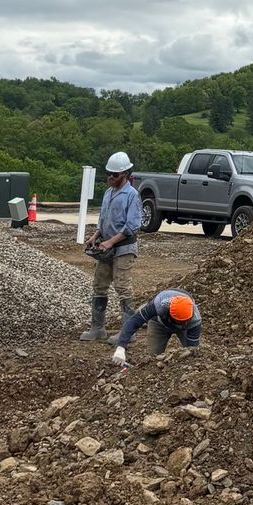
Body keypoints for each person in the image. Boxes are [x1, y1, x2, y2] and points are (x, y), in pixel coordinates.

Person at [82, 150, 140, 342]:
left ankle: (128, 333)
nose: (110, 177)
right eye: (108, 173)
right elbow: (104, 220)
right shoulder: (108, 193)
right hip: (107, 248)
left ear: (125, 174)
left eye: (114, 174)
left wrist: (110, 242)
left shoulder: (132, 195)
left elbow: (131, 226)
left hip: (124, 249)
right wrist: (96, 236)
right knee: (99, 285)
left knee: (123, 287)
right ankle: (97, 328)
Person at [111, 289, 201, 369]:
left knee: (191, 356)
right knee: (153, 359)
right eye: (178, 321)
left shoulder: (195, 320)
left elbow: (192, 348)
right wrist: (121, 347)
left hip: (185, 328)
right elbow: (134, 321)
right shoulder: (159, 305)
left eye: (183, 321)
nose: (180, 323)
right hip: (158, 323)